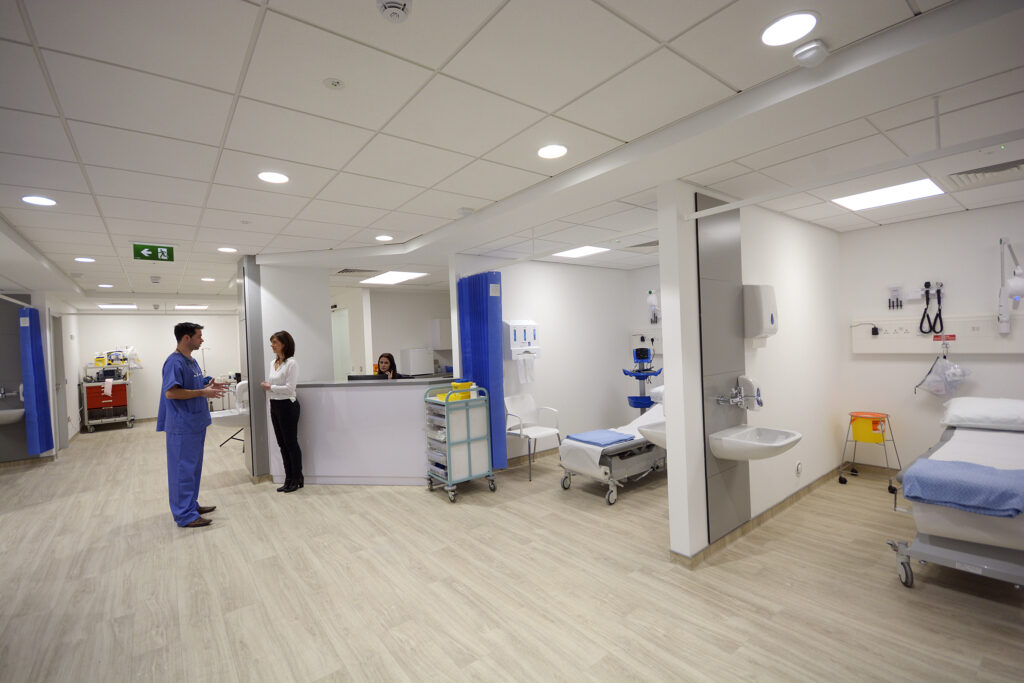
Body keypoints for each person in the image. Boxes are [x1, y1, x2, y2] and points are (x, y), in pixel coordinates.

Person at [157, 322, 227, 528]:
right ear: (186, 338)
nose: (202, 340)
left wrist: (208, 384)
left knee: (193, 469)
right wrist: (203, 392)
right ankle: (184, 515)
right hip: (182, 425)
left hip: (195, 422)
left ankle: (190, 505)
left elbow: (193, 384)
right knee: (182, 470)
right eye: (199, 336)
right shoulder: (174, 362)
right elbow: (171, 392)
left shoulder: (191, 361)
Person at [261, 331, 303, 493]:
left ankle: (296, 478)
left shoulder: (292, 363)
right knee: (282, 444)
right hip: (275, 405)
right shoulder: (273, 362)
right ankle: (289, 478)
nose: (272, 345)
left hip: (288, 406)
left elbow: (290, 388)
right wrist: (271, 387)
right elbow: (275, 385)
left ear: (284, 344)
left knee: (290, 443)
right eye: (272, 342)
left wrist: (270, 387)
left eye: (275, 342)